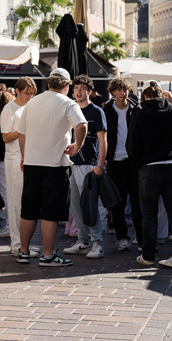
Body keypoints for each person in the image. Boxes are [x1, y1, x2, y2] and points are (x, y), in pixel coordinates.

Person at [17, 68, 88, 267]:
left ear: (48, 84)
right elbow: (82, 125)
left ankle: (23, 252)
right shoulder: (68, 103)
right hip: (55, 164)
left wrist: (24, 155)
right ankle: (47, 255)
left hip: (32, 162)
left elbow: (21, 133)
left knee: (28, 210)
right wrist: (77, 145)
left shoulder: (32, 102)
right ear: (66, 86)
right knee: (51, 212)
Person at [128, 82, 172, 268]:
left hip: (149, 168)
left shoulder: (139, 113)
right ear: (162, 96)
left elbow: (132, 145)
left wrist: (138, 163)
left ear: (145, 97)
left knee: (149, 215)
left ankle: (148, 256)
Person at [62, 75, 108, 260]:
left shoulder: (96, 111)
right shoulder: (71, 110)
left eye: (82, 88)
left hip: (89, 164)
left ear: (89, 90)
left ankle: (97, 243)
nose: (78, 91)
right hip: (72, 164)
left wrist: (100, 165)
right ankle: (83, 241)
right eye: (76, 88)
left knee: (90, 206)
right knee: (75, 207)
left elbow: (103, 140)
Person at [0, 77, 37, 257]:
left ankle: (24, 243)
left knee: (26, 203)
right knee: (15, 203)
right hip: (14, 158)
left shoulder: (30, 107)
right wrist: (24, 128)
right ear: (17, 91)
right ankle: (16, 244)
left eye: (32, 93)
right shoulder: (9, 108)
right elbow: (5, 137)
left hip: (29, 157)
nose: (30, 96)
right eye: (26, 93)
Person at [104, 77, 141, 252]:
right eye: (119, 90)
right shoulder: (107, 110)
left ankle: (141, 238)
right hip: (114, 162)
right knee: (118, 203)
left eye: (125, 89)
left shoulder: (136, 109)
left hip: (133, 162)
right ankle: (122, 237)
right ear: (113, 92)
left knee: (137, 202)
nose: (122, 93)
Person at [0, 90, 15, 238]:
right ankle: (11, 226)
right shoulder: (13, 114)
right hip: (8, 156)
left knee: (6, 192)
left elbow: (2, 138)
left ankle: (9, 226)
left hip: (3, 157)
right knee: (8, 192)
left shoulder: (5, 117)